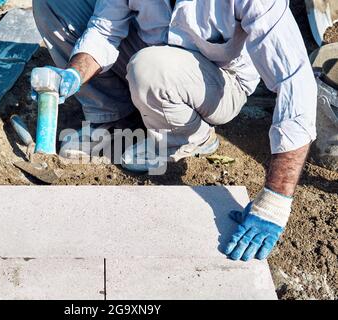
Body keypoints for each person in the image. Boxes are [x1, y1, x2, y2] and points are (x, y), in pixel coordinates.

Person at [32, 0, 317, 261]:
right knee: (57, 3)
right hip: (151, 56)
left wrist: (274, 202)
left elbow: (295, 82)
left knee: (152, 68)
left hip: (220, 83)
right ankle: (113, 119)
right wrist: (74, 74)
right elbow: (104, 29)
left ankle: (190, 138)